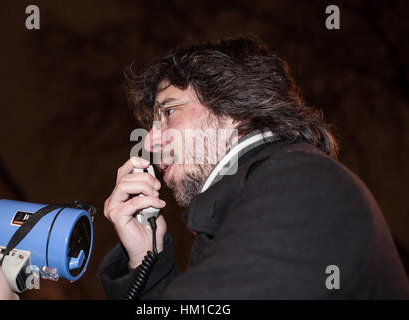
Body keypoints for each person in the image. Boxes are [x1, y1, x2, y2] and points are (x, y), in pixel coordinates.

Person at [99, 36, 409, 300]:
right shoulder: (263, 191)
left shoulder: (298, 185)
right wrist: (146, 259)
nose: (150, 143)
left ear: (234, 108)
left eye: (168, 111)